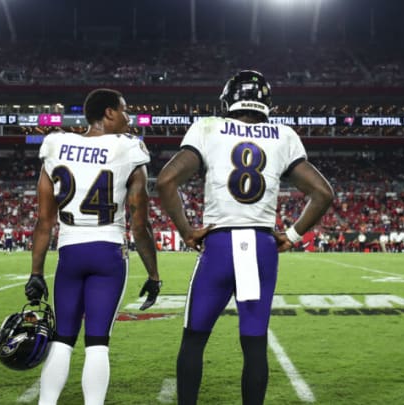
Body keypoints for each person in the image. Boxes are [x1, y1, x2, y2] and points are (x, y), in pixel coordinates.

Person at [156, 70, 333, 405]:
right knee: (254, 344)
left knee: (194, 340)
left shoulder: (208, 127)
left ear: (228, 99)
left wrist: (186, 230)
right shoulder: (284, 134)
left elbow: (165, 181)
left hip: (220, 244)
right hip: (261, 246)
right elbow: (323, 193)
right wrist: (292, 235)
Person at [24, 88, 161, 405]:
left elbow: (44, 222)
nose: (129, 118)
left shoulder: (56, 145)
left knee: (63, 339)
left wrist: (36, 273)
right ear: (109, 113)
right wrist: (153, 275)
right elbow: (140, 226)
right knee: (97, 341)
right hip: (108, 252)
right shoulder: (128, 149)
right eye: (125, 110)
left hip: (70, 252)